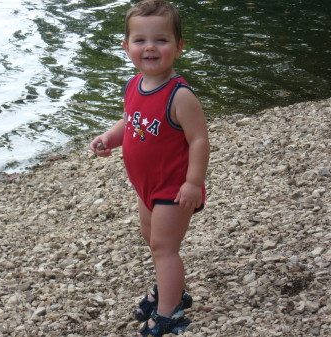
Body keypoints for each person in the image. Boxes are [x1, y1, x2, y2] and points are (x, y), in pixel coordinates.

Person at [89, 0, 210, 335]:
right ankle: (169, 289)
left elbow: (199, 140)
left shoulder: (180, 95)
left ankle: (170, 311)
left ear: (178, 46)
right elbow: (130, 120)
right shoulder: (133, 85)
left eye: (161, 40)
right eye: (140, 40)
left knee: (164, 247)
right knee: (152, 239)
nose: (150, 47)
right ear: (127, 46)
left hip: (174, 188)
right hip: (145, 186)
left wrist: (193, 182)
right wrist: (110, 138)